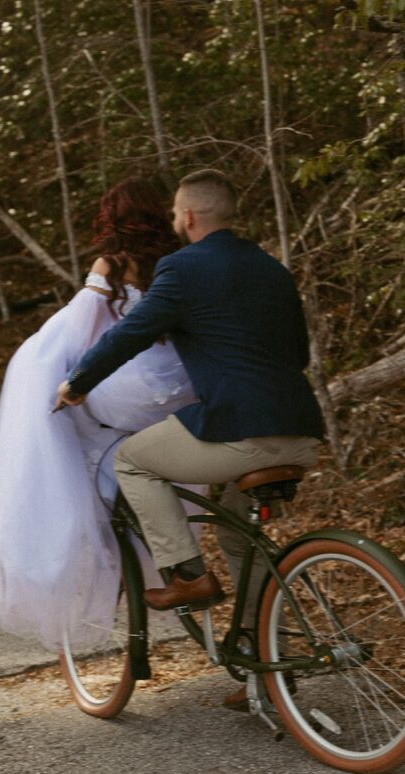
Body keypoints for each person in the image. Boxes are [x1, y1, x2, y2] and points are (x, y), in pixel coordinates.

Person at [56, 169, 324, 626]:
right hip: (302, 431)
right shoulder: (271, 268)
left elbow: (131, 333)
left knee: (133, 461)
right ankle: (263, 666)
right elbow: (298, 352)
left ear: (188, 216)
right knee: (240, 539)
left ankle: (187, 575)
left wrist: (78, 383)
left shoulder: (182, 268)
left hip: (242, 431)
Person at [0, 180, 200, 652]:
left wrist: (57, 373)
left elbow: (82, 328)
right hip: (182, 383)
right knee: (118, 436)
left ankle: (96, 530)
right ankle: (138, 532)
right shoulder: (177, 258)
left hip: (133, 382)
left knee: (66, 416)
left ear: (112, 219)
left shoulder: (112, 264)